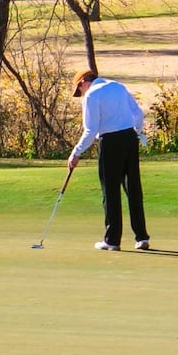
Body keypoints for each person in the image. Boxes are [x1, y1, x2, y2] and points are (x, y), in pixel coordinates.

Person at [62, 68, 150, 252]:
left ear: (83, 82)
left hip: (110, 142)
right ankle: (142, 237)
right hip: (130, 138)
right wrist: (136, 133)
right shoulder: (118, 86)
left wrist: (76, 153)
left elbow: (90, 130)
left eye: (80, 89)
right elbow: (138, 114)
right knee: (133, 188)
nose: (81, 93)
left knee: (110, 192)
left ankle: (112, 240)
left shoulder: (91, 95)